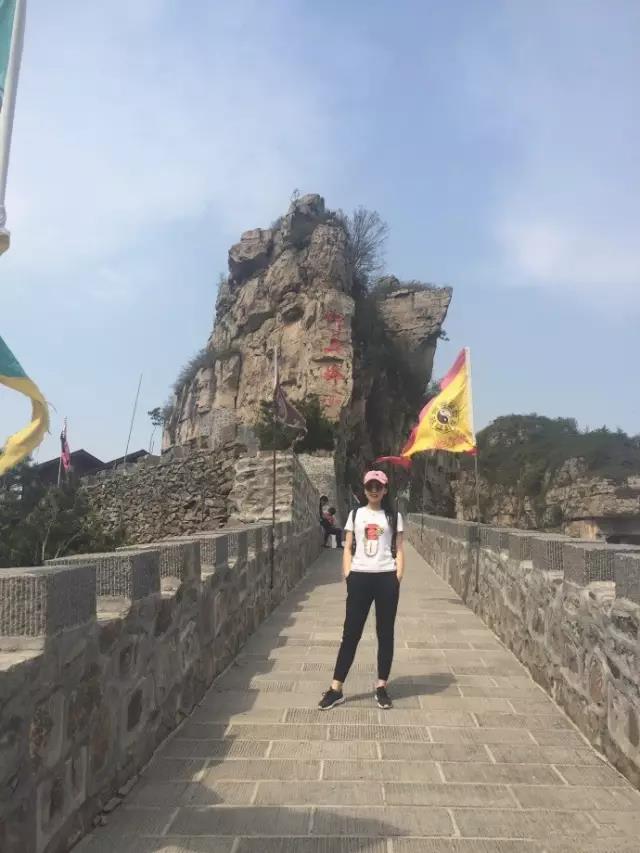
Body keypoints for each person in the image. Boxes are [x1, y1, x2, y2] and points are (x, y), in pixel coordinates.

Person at [318, 470, 404, 711]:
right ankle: (336, 688)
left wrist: (397, 577)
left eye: (378, 486)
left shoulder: (393, 516)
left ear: (385, 490)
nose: (374, 490)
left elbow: (399, 549)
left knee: (385, 633)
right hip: (359, 578)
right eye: (370, 486)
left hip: (386, 578)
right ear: (364, 489)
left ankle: (381, 686)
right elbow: (347, 547)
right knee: (351, 633)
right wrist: (348, 574)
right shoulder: (355, 514)